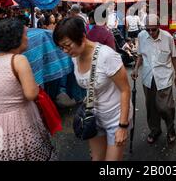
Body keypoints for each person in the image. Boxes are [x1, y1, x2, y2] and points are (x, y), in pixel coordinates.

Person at [0, 19, 56, 161]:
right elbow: (31, 94)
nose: (27, 38)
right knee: (24, 154)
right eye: (25, 34)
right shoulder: (19, 60)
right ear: (15, 38)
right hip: (18, 120)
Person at [53, 17, 132, 161]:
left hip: (115, 117)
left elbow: (125, 90)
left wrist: (123, 126)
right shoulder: (74, 57)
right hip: (94, 116)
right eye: (61, 47)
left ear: (82, 37)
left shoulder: (107, 56)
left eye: (67, 45)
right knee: (97, 158)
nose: (65, 51)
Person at [132, 15, 176, 144]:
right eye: (148, 29)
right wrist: (136, 68)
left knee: (165, 107)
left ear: (158, 27)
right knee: (151, 107)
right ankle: (155, 130)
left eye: (153, 29)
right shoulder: (142, 36)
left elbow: (174, 57)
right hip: (148, 77)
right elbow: (140, 55)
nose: (150, 32)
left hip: (164, 77)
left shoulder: (168, 38)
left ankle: (170, 129)